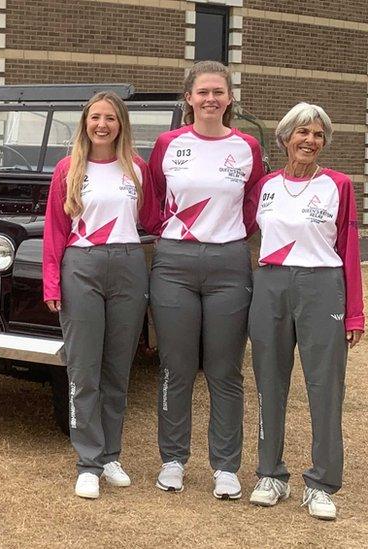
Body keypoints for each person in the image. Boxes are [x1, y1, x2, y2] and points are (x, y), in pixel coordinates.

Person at [147, 60, 265, 498]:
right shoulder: (168, 143)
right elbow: (154, 195)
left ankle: (226, 467)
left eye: (219, 91)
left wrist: (230, 235)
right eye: (203, 92)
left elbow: (254, 201)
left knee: (224, 370)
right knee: (175, 368)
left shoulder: (248, 146)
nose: (210, 99)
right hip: (174, 263)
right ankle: (173, 459)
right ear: (189, 98)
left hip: (230, 263)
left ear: (229, 98)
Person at [244, 103, 363, 520]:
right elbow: (237, 229)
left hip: (321, 287)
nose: (310, 140)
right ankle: (271, 474)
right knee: (269, 383)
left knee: (324, 388)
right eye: (302, 133)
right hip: (272, 284)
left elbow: (348, 249)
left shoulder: (339, 184)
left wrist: (354, 313)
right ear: (285, 139)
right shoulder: (265, 186)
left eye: (317, 134)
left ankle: (322, 483)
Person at [43, 91, 158, 499]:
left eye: (110, 117)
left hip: (128, 266)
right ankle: (87, 461)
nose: (103, 124)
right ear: (86, 123)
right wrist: (52, 282)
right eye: (96, 117)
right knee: (84, 369)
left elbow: (153, 218)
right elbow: (56, 230)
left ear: (121, 124)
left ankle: (111, 455)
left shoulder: (137, 169)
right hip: (82, 267)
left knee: (116, 369)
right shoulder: (68, 169)